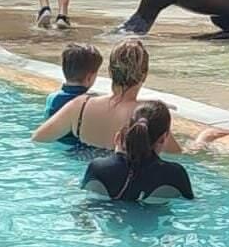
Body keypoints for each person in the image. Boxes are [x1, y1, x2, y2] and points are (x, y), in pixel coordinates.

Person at [32, 38, 181, 152]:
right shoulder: (147, 115)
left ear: (110, 72)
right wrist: (202, 139)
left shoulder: (81, 105)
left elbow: (38, 138)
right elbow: (179, 154)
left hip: (89, 178)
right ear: (144, 75)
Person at [81, 101, 194, 202]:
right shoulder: (174, 173)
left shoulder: (98, 167)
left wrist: (118, 153)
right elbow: (192, 203)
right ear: (163, 138)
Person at [44, 43, 103, 147]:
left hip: (58, 147)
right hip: (82, 150)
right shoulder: (94, 102)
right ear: (89, 77)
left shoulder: (52, 98)